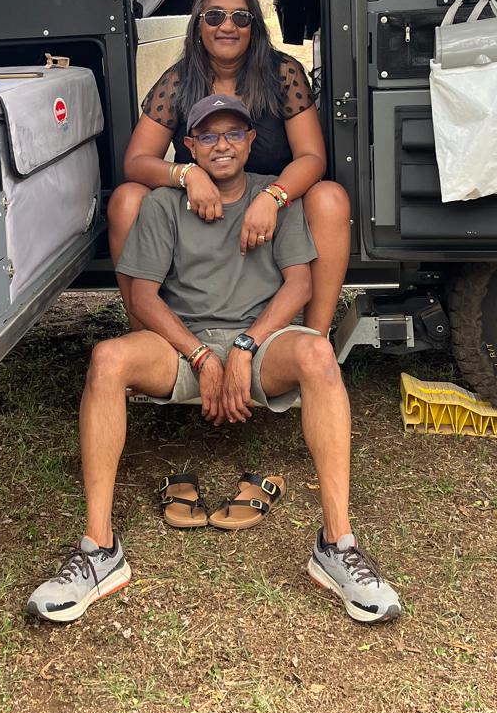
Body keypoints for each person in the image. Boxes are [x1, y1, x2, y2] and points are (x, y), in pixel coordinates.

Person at [27, 95, 401, 626]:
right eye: (207, 135)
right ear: (189, 146)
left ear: (251, 141)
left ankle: (337, 545)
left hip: (261, 342)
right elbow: (143, 297)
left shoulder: (274, 198)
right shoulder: (163, 204)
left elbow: (299, 285)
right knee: (107, 358)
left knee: (318, 354)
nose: (221, 145)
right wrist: (200, 355)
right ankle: (99, 550)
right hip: (183, 345)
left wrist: (246, 347)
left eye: (233, 134)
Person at [108, 0, 350, 336]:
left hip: (270, 205)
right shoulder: (177, 81)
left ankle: (315, 343)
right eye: (214, 16)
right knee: (126, 200)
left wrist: (272, 196)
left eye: (240, 17)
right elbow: (137, 161)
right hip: (198, 208)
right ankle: (149, 342)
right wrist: (188, 175)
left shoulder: (282, 74)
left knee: (330, 198)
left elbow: (312, 157)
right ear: (198, 26)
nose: (227, 26)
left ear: (254, 27)